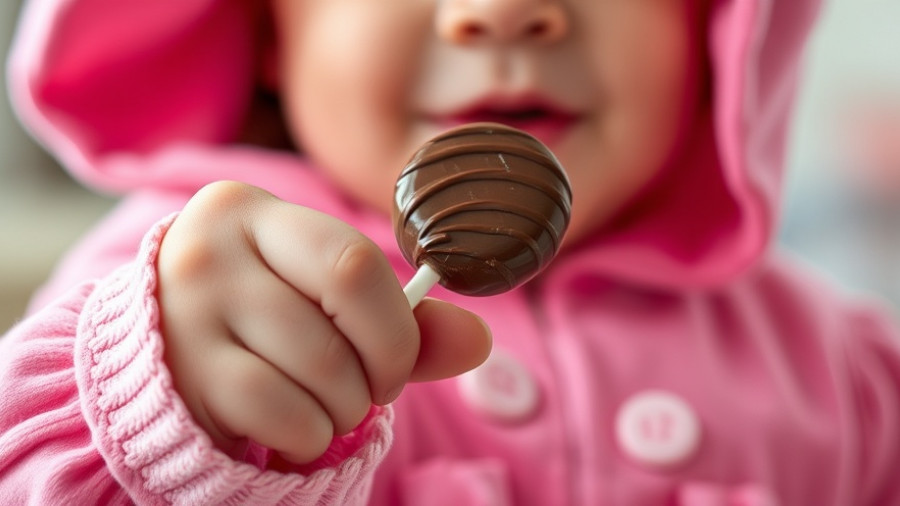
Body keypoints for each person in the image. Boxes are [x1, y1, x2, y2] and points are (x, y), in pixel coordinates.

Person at [2, 0, 899, 504]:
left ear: (714, 27)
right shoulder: (183, 288)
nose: (502, 13)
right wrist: (162, 417)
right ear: (271, 30)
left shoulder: (839, 369)